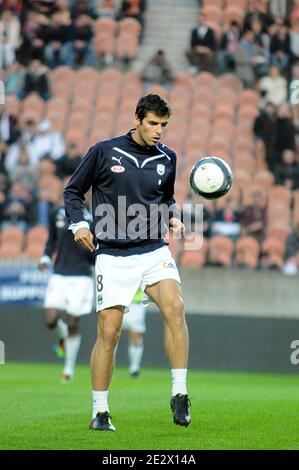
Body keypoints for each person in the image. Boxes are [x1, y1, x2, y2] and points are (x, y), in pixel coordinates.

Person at [64, 93, 191, 432]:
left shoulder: (168, 158)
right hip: (113, 254)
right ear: (137, 119)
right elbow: (73, 191)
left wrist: (174, 217)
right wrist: (78, 224)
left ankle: (180, 393)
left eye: (164, 125)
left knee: (175, 308)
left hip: (153, 250)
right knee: (109, 332)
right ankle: (100, 411)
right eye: (153, 123)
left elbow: (166, 198)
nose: (159, 130)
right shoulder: (105, 151)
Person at [39, 199, 94, 383]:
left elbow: (95, 252)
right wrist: (46, 257)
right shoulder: (58, 213)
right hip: (60, 274)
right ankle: (63, 339)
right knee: (50, 319)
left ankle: (68, 370)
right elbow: (52, 239)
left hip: (82, 276)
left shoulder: (94, 217)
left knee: (73, 321)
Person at [121, 287, 146, 378]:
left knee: (135, 335)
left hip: (136, 303)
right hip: (119, 301)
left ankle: (135, 367)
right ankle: (108, 364)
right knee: (112, 334)